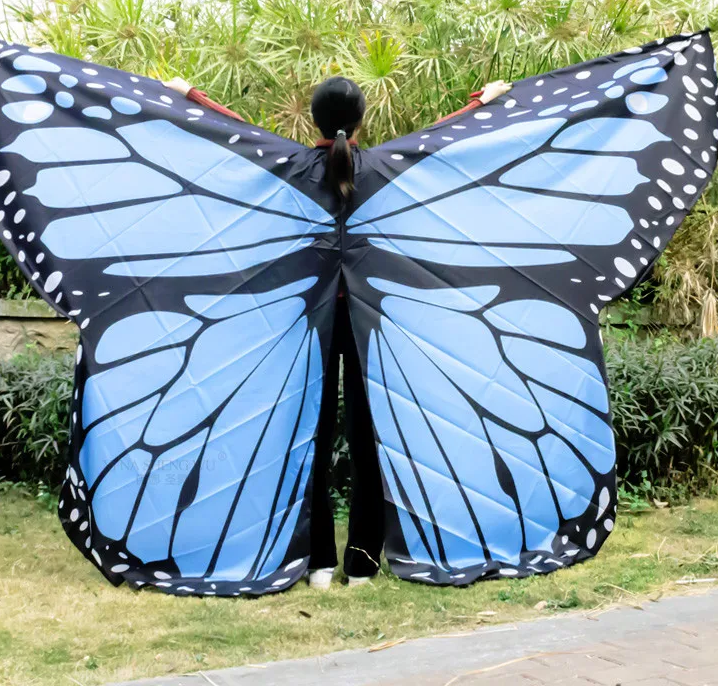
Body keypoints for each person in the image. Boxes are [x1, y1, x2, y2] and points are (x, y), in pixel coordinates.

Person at [164, 73, 513, 589]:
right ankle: (365, 563)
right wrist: (483, 102)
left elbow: (226, 131)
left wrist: (187, 97)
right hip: (374, 321)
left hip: (306, 320)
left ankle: (318, 561)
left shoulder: (284, 166)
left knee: (305, 431)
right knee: (374, 434)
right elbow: (445, 140)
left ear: (313, 118)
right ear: (361, 119)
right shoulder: (388, 169)